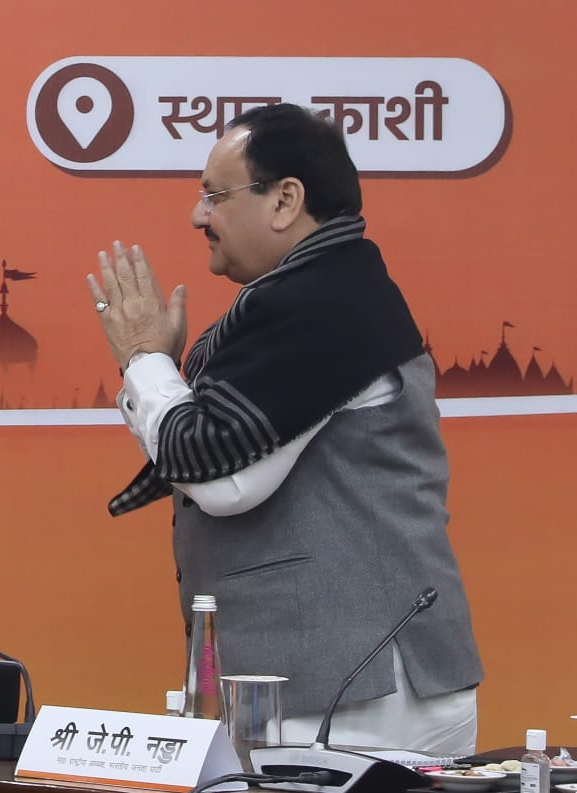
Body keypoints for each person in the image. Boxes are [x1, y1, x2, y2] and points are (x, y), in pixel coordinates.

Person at [86, 103, 482, 753]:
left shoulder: (321, 302)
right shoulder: (326, 291)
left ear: (284, 200)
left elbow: (221, 475)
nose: (198, 216)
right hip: (347, 687)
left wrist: (143, 359)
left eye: (215, 195)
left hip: (353, 693)